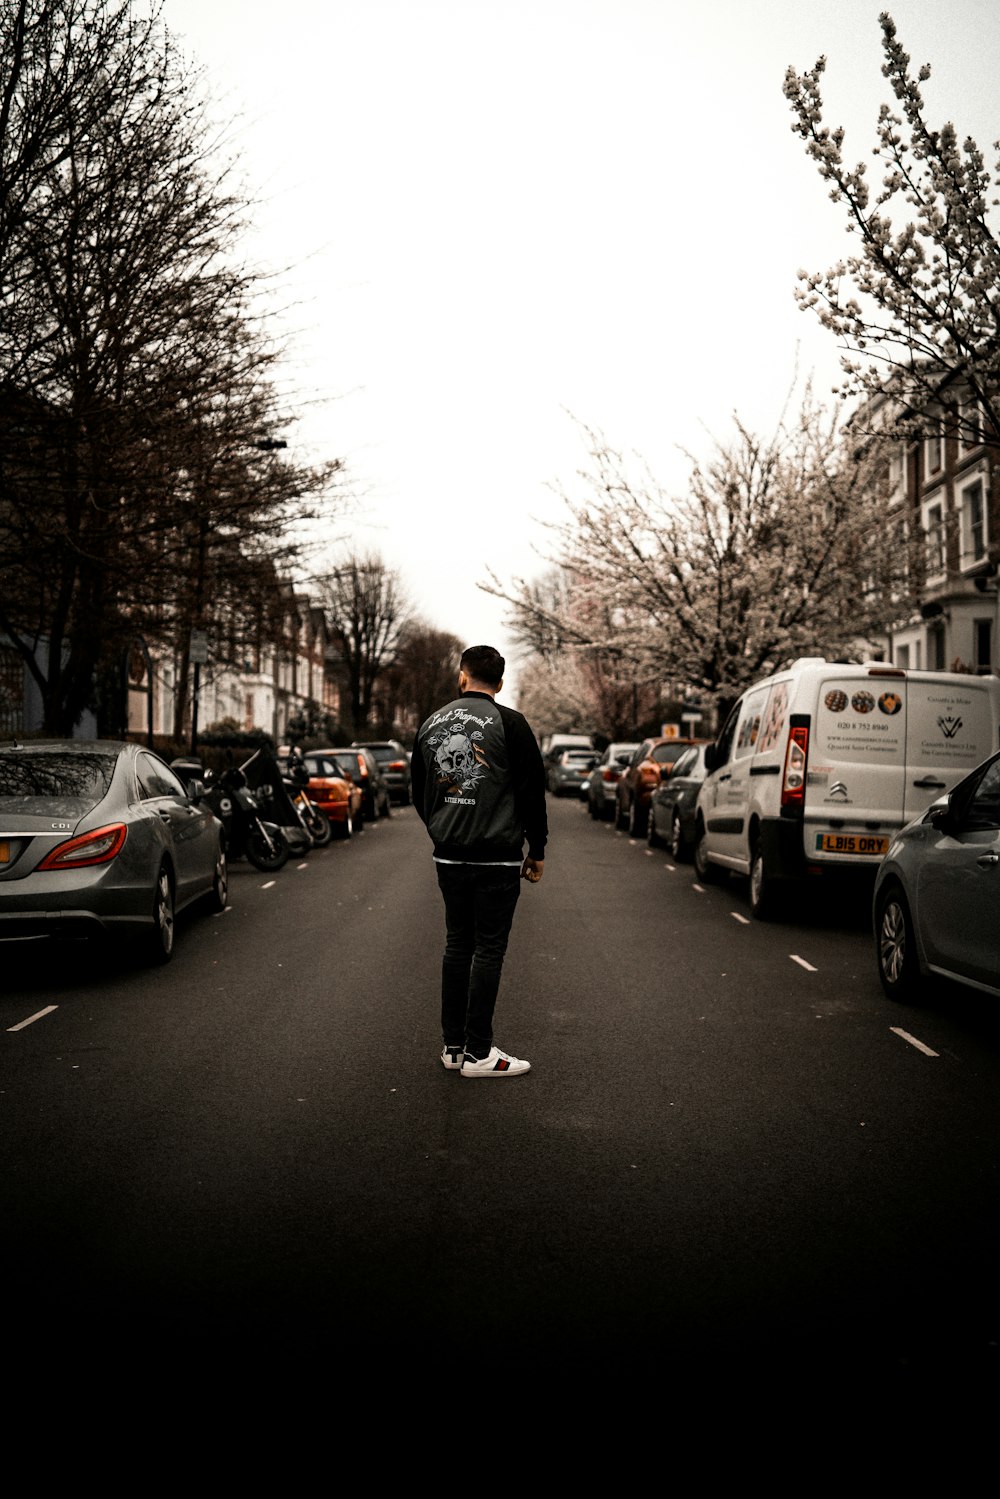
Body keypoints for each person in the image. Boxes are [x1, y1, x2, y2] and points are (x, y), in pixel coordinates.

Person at [410, 644, 548, 1077]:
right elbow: (531, 792)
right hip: (497, 856)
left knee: (457, 944)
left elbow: (419, 790)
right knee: (488, 948)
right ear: (500, 683)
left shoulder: (431, 724)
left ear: (463, 675)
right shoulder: (511, 724)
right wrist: (536, 848)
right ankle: (479, 1053)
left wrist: (441, 828)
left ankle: (453, 1047)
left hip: (448, 855)